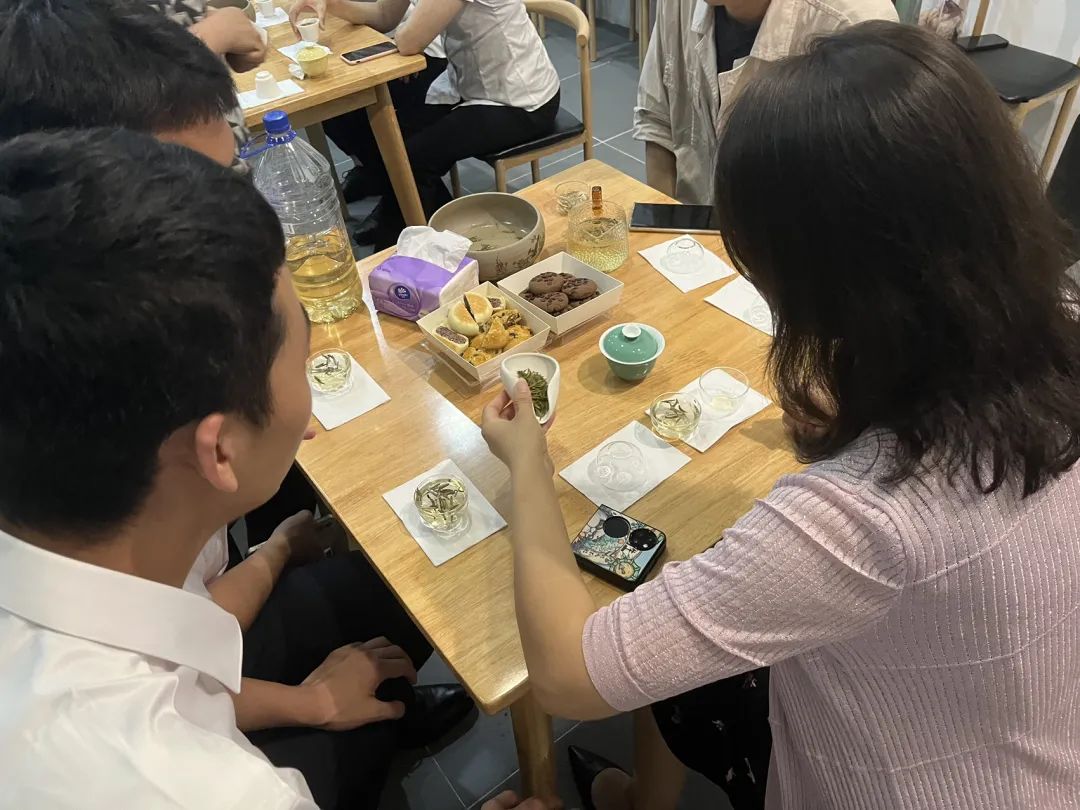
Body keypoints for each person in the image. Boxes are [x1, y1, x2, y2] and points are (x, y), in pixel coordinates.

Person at [481, 21, 1080, 810]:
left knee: (665, 650)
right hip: (1042, 735)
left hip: (905, 781)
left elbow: (565, 675)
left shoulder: (858, 521)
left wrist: (528, 462)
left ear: (822, 289)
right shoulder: (1057, 322)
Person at [288, 0, 561, 248]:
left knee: (414, 156)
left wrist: (407, 36)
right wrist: (329, 3)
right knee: (379, 126)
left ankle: (398, 245)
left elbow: (409, 42)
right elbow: (383, 16)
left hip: (520, 100)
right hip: (470, 85)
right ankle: (417, 210)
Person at [636, 0, 897, 204]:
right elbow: (657, 120)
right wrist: (665, 230)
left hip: (795, 245)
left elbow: (861, 202)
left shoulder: (855, 25)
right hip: (690, 235)